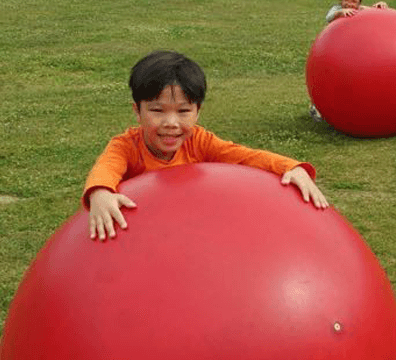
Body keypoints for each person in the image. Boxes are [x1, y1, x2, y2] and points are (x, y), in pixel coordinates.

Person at [84, 50, 329, 241]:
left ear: (197, 112)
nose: (171, 123)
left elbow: (244, 157)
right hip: (141, 235)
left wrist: (292, 168)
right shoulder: (126, 147)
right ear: (137, 111)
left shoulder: (200, 142)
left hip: (188, 231)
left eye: (183, 111)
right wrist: (101, 193)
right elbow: (106, 168)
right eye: (157, 111)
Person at [309, 0, 390, 122]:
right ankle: (317, 107)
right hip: (331, 53)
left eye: (354, 1)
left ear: (359, 3)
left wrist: (380, 5)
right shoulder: (337, 9)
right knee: (327, 81)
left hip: (350, 56)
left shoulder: (360, 10)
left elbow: (375, 12)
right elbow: (329, 16)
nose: (349, 4)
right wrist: (341, 13)